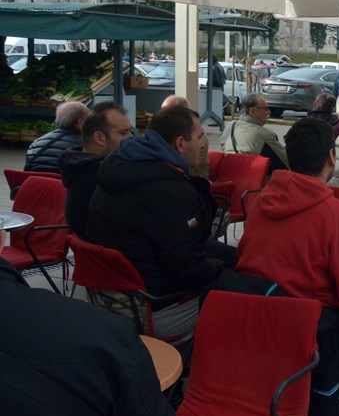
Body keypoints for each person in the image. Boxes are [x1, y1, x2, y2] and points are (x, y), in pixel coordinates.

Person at [0, 229, 176, 416]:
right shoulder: (102, 336)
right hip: (149, 307)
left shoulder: (91, 194)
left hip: (109, 295)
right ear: (2, 237)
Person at [87, 106, 233, 340]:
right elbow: (189, 271)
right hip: (154, 309)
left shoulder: (117, 166)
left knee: (233, 258)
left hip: (113, 300)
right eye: (199, 137)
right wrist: (223, 269)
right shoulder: (171, 192)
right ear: (179, 144)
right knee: (246, 293)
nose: (204, 144)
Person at [237, 118, 339, 313]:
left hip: (251, 314)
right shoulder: (338, 214)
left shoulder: (260, 202)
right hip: (309, 327)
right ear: (331, 157)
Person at [59, 103, 134, 237]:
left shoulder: (77, 166)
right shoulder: (106, 176)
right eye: (123, 132)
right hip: (116, 253)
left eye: (130, 131)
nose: (131, 137)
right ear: (99, 138)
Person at [221, 93, 289, 171]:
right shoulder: (265, 134)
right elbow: (285, 161)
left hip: (228, 173)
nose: (269, 112)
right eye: (266, 108)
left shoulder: (230, 126)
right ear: (253, 111)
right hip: (252, 177)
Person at [24, 101, 90, 172]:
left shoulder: (36, 143)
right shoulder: (86, 146)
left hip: (34, 182)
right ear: (80, 123)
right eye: (90, 119)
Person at [160, 95, 210, 180]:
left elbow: (187, 168)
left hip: (193, 181)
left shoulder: (198, 138)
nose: (161, 116)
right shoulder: (166, 132)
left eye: (166, 113)